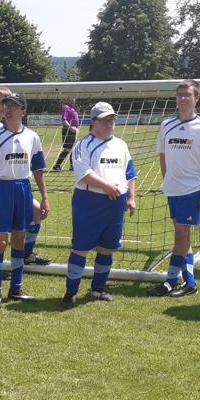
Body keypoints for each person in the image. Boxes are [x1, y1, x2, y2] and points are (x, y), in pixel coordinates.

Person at [147, 79, 200, 297]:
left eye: (188, 95)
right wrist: (167, 180)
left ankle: (170, 282)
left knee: (181, 235)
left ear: (196, 98)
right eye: (180, 94)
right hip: (173, 189)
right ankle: (190, 283)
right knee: (183, 236)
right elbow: (163, 156)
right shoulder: (166, 125)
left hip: (193, 189)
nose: (183, 98)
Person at [0, 92, 49, 308]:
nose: (8, 110)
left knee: (19, 240)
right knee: (0, 241)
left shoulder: (32, 137)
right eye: (6, 106)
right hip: (1, 189)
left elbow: (38, 169)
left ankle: (16, 288)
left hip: (22, 189)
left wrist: (44, 196)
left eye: (13, 106)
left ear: (23, 111)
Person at [61, 101, 136, 309]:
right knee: (80, 248)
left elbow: (130, 173)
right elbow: (83, 174)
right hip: (89, 202)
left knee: (107, 248)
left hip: (115, 204)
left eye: (112, 120)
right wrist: (106, 186)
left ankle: (98, 289)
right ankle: (71, 292)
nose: (109, 124)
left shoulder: (121, 145)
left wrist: (131, 197)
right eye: (105, 120)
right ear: (93, 122)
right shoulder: (83, 145)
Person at [51, 97, 80, 171]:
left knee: (73, 148)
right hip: (68, 130)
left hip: (73, 131)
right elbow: (64, 120)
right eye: (71, 97)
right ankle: (57, 165)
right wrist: (70, 128)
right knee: (67, 149)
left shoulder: (72, 108)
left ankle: (72, 166)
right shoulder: (66, 107)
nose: (73, 99)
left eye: (74, 98)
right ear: (67, 99)